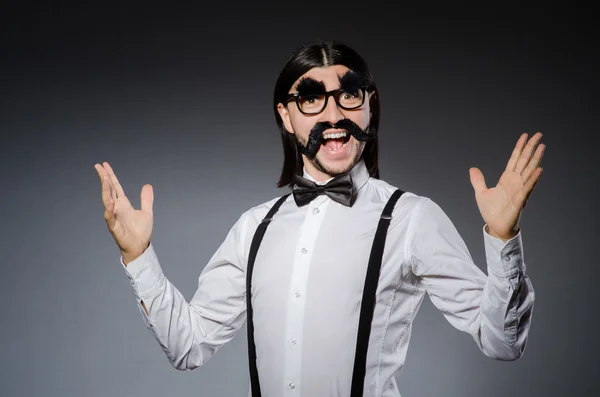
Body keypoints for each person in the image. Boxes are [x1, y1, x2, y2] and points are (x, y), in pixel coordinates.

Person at [94, 41, 544, 397]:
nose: (334, 115)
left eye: (349, 95)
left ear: (370, 107)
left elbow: (502, 342)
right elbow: (188, 347)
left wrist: (504, 239)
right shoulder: (254, 228)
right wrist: (138, 256)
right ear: (285, 117)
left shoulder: (410, 219)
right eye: (311, 99)